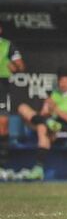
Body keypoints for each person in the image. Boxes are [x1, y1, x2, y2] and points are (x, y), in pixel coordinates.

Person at [17, 67, 67, 180]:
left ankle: (38, 168)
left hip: (65, 129)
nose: (62, 83)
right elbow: (45, 114)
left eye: (65, 80)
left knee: (42, 127)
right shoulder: (54, 94)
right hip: (49, 123)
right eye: (60, 80)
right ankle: (46, 124)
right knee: (23, 108)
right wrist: (46, 111)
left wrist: (55, 108)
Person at [0, 25, 25, 178]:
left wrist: (15, 67)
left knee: (2, 125)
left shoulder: (7, 45)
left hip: (1, 87)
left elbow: (21, 65)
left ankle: (1, 166)